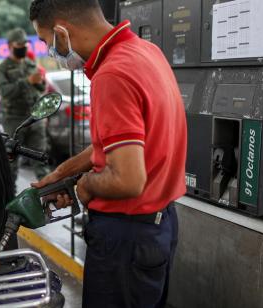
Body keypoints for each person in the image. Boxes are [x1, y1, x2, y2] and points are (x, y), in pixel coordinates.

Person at [29, 0, 187, 307]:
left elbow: (127, 179)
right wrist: (64, 172)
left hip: (125, 239)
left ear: (63, 32)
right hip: (160, 225)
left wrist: (84, 186)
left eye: (47, 41)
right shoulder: (145, 52)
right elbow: (115, 144)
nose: (51, 51)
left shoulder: (112, 75)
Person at [0, 28, 50, 190]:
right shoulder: (3, 68)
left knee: (41, 161)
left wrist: (41, 81)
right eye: (20, 44)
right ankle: (10, 203)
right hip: (14, 121)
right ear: (11, 45)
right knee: (11, 165)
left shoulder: (30, 63)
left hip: (34, 119)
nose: (24, 47)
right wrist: (27, 81)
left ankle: (48, 198)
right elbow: (4, 91)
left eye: (25, 44)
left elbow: (40, 88)